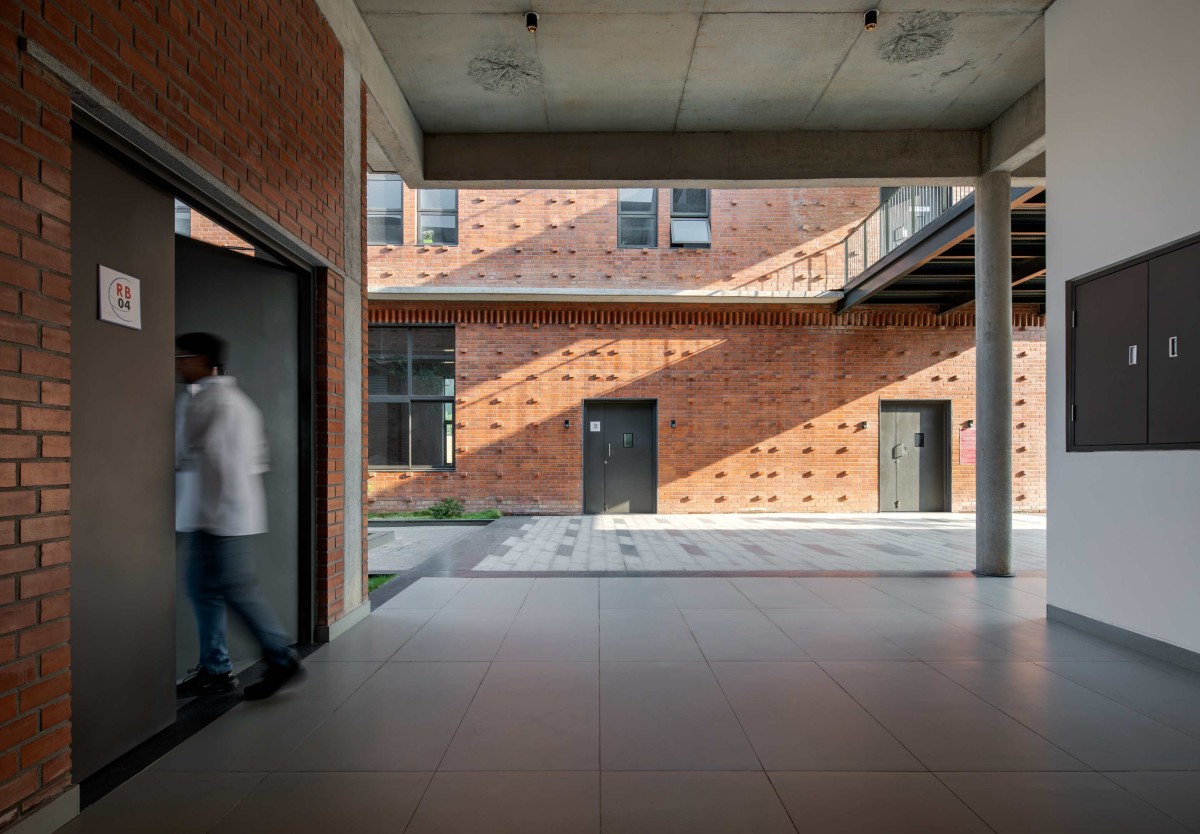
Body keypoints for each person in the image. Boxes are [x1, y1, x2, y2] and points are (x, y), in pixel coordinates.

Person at [174, 332, 302, 701]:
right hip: (214, 516)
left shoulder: (219, 403)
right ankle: (216, 668)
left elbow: (222, 464)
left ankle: (280, 656)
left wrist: (216, 517)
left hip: (220, 517)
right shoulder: (222, 400)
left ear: (202, 360)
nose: (178, 365)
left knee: (233, 589)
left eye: (182, 358)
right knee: (205, 591)